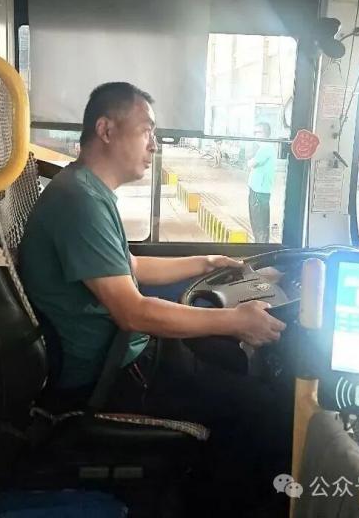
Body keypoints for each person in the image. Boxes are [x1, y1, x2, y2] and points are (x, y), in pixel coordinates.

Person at [18, 82, 293, 516]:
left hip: (124, 356)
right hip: (110, 376)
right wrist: (237, 320)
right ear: (106, 130)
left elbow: (130, 266)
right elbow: (132, 311)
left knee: (230, 362)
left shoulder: (87, 190)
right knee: (268, 412)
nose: (154, 144)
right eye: (147, 130)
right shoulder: (79, 202)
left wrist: (206, 262)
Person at [247, 122, 277, 244]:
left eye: (258, 132)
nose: (255, 135)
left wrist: (250, 161)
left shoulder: (266, 148)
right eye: (254, 132)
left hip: (260, 192)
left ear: (266, 134)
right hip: (256, 190)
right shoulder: (263, 148)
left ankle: (261, 249)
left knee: (260, 225)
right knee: (256, 223)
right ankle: (259, 246)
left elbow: (251, 163)